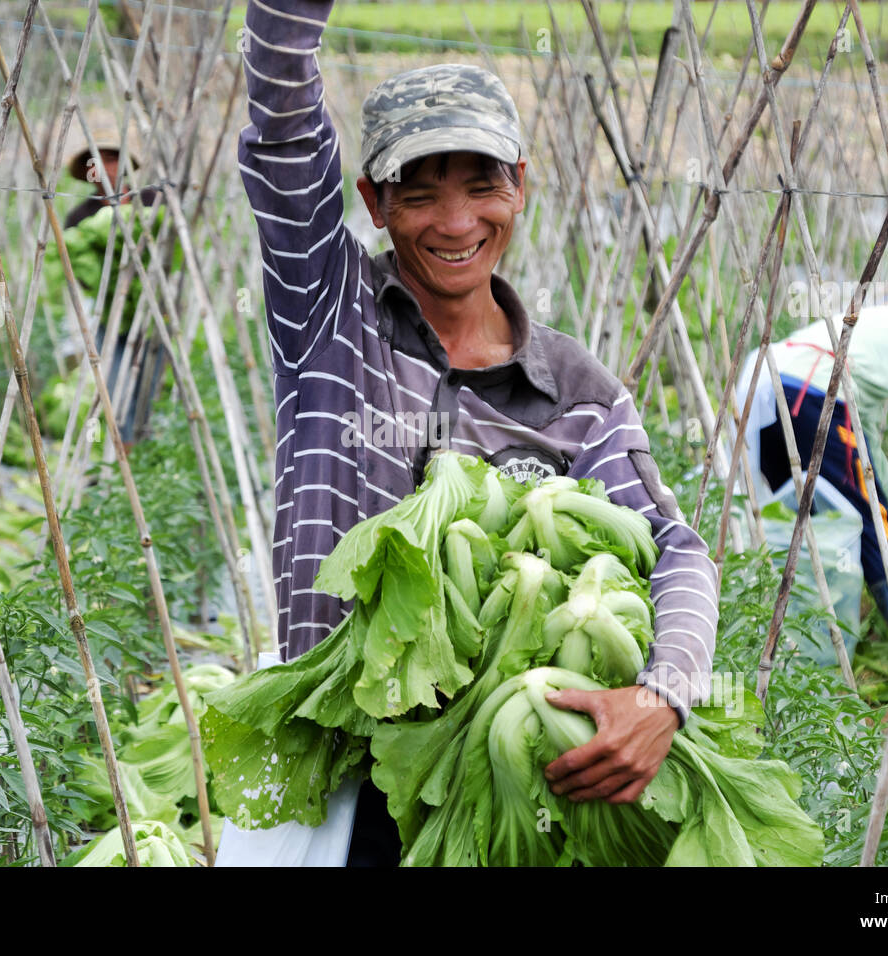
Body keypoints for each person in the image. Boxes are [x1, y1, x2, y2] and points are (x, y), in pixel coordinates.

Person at [239, 0, 718, 866]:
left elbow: (677, 547)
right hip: (337, 779)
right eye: (419, 194)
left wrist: (664, 696)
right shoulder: (329, 315)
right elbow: (281, 132)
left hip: (504, 786)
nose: (456, 224)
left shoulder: (576, 391)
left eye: (482, 187)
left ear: (520, 186)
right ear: (373, 203)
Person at [737, 279, 888, 641]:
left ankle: (801, 641)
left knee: (808, 522)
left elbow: (864, 445)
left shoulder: (867, 332)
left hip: (765, 390)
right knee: (871, 524)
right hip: (813, 395)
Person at [52, 126, 169, 455]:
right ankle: (126, 457)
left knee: (148, 388)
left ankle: (147, 456)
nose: (104, 167)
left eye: (112, 158)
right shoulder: (80, 217)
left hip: (152, 314)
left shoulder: (152, 202)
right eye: (97, 161)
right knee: (117, 387)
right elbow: (78, 271)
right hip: (111, 319)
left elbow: (170, 256)